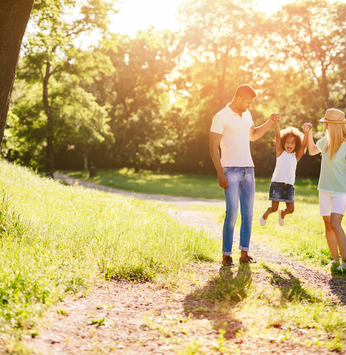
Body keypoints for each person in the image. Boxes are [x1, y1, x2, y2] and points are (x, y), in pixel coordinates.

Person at [209, 84, 279, 267]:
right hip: (230, 171)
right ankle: (226, 255)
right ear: (239, 98)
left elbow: (254, 135)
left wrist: (270, 122)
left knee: (248, 214)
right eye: (248, 102)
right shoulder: (220, 117)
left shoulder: (247, 115)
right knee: (232, 213)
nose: (250, 106)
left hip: (249, 170)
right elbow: (212, 147)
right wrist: (219, 172)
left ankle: (244, 253)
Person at [304, 108, 346, 272]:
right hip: (324, 189)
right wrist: (309, 133)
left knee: (336, 224)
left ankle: (345, 261)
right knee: (328, 225)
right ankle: (335, 260)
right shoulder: (326, 140)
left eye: (327, 123)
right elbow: (313, 150)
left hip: (340, 191)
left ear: (335, 125)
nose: (325, 126)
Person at [259, 121, 308, 227]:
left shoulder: (295, 157)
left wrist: (307, 132)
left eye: (292, 142)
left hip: (289, 186)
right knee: (274, 208)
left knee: (291, 210)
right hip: (277, 184)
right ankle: (266, 213)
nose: (289, 144)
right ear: (283, 142)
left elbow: (304, 145)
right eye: (287, 142)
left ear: (296, 144)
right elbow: (277, 136)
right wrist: (276, 122)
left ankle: (283, 213)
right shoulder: (280, 152)